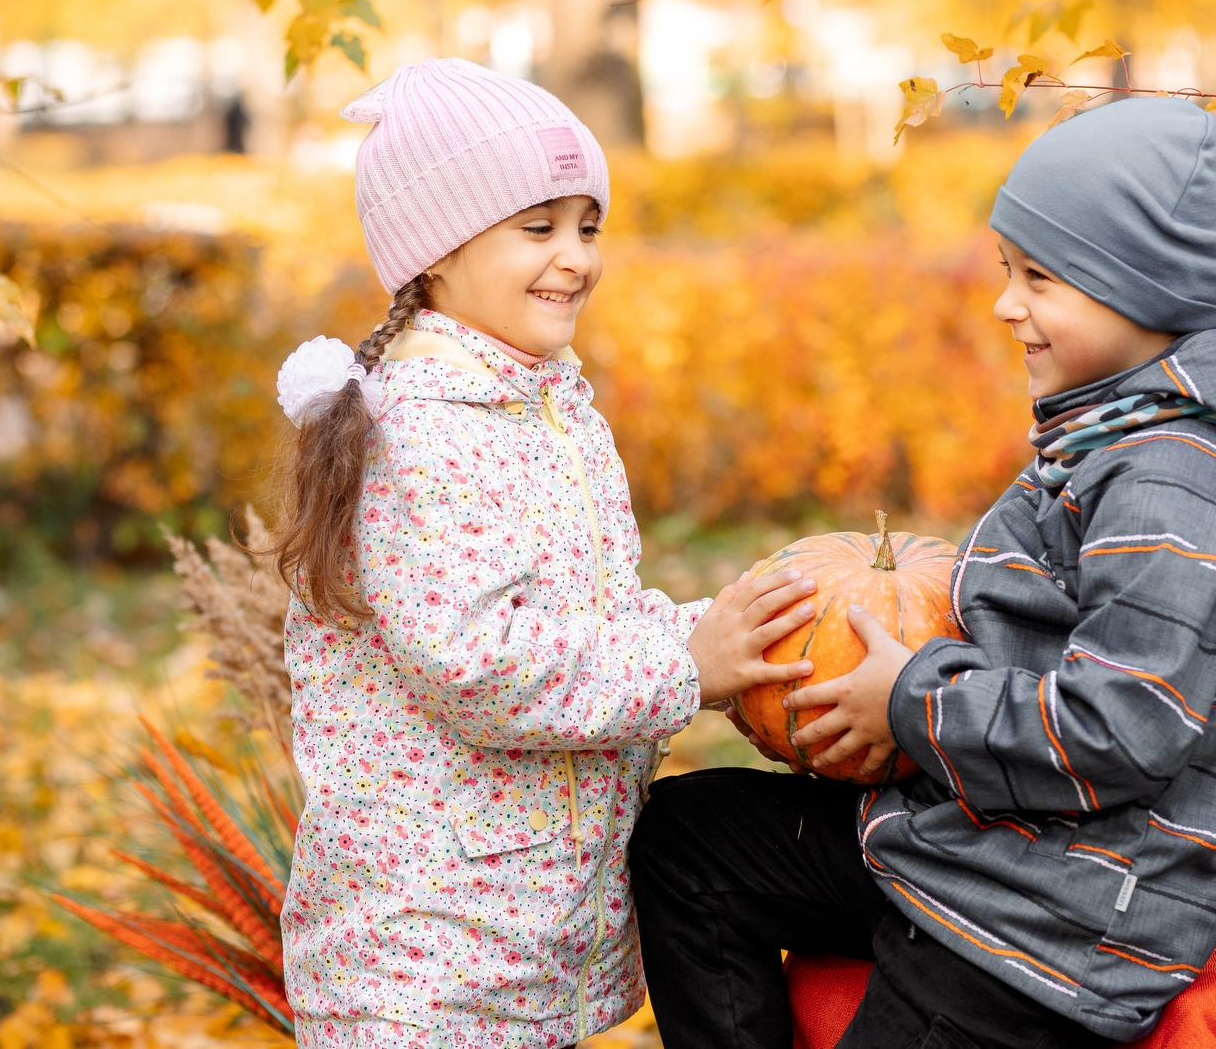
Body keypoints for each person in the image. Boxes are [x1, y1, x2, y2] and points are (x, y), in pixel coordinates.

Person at [630, 95, 1216, 1046]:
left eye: (1039, 278)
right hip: (979, 841)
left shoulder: (1175, 486)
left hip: (1054, 920)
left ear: (1139, 291)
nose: (1007, 303)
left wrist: (912, 696)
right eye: (1009, 271)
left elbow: (1119, 725)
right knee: (690, 840)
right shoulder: (1113, 431)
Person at [267, 57, 819, 1047]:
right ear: (436, 253)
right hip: (426, 948)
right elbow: (474, 663)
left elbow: (581, 621)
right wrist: (682, 668)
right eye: (537, 226)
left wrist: (725, 639)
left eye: (587, 223)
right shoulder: (425, 428)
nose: (575, 256)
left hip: (512, 931)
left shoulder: (542, 401)